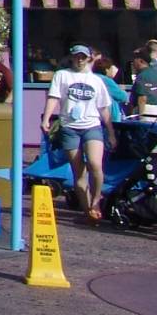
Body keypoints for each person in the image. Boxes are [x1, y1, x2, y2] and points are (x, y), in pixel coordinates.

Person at [42, 43, 116, 219]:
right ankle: (87, 209)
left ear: (89, 58)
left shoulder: (97, 80)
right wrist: (46, 118)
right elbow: (54, 97)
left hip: (92, 125)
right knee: (78, 171)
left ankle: (97, 200)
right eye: (77, 56)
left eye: (83, 56)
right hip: (69, 127)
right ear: (72, 57)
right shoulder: (62, 75)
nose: (80, 59)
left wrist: (111, 132)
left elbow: (104, 109)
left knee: (95, 163)